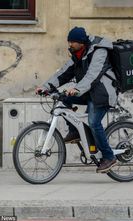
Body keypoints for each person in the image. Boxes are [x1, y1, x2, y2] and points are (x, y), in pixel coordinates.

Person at [35, 27, 118, 173]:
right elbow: (63, 73)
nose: (70, 44)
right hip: (89, 91)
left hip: (103, 92)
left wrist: (78, 89)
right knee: (64, 99)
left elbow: (93, 74)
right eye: (69, 41)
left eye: (73, 41)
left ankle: (109, 157)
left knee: (94, 122)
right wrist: (46, 87)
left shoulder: (99, 50)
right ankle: (75, 132)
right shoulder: (77, 54)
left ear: (81, 42)